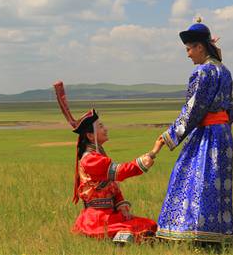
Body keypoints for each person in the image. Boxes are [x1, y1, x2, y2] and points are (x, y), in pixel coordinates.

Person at [156, 19, 233, 245]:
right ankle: (218, 236)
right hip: (224, 135)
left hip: (207, 133)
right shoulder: (225, 71)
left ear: (201, 47)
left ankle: (193, 234)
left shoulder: (203, 72)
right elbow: (230, 109)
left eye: (189, 49)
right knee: (218, 184)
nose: (188, 55)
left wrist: (170, 135)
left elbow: (193, 110)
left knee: (192, 177)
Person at [54, 82, 162, 244]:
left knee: (150, 225)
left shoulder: (97, 156)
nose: (106, 129)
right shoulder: (90, 160)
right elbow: (121, 171)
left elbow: (112, 186)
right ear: (91, 136)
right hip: (98, 219)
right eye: (101, 126)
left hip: (110, 215)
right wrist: (151, 154)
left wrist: (120, 204)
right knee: (143, 229)